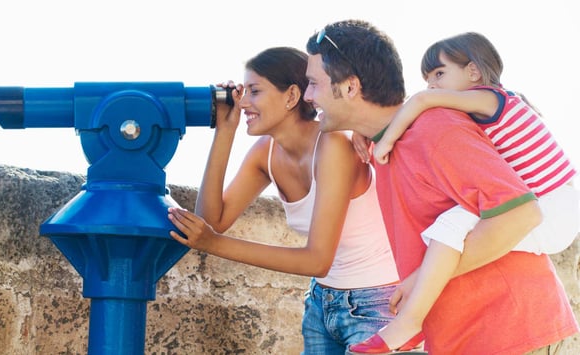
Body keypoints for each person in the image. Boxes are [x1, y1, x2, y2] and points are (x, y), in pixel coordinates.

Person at [303, 19, 579, 354]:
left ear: (349, 87)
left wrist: (419, 280)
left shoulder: (435, 128)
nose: (307, 96)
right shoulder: (385, 143)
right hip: (464, 337)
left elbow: (520, 214)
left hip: (512, 334)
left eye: (313, 84)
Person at [167, 46, 401, 354]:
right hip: (321, 302)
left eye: (254, 91)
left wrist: (213, 244)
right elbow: (213, 221)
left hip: (375, 304)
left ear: (291, 96)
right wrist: (225, 130)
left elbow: (317, 259)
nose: (244, 101)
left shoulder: (333, 144)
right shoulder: (266, 151)